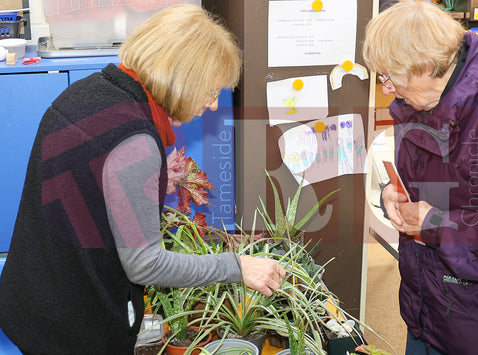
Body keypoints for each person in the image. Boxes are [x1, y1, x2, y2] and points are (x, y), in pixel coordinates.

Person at [0, 5, 285, 354]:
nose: (213, 105)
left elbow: (91, 198)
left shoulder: (86, 93)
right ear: (182, 79)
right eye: (210, 91)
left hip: (32, 298)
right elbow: (145, 264)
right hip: (74, 330)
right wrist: (237, 266)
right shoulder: (135, 140)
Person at [363, 1, 478, 354]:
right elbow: (429, 190)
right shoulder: (416, 105)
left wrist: (436, 224)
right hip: (427, 308)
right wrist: (391, 195)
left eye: (390, 76)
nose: (386, 89)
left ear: (425, 65)